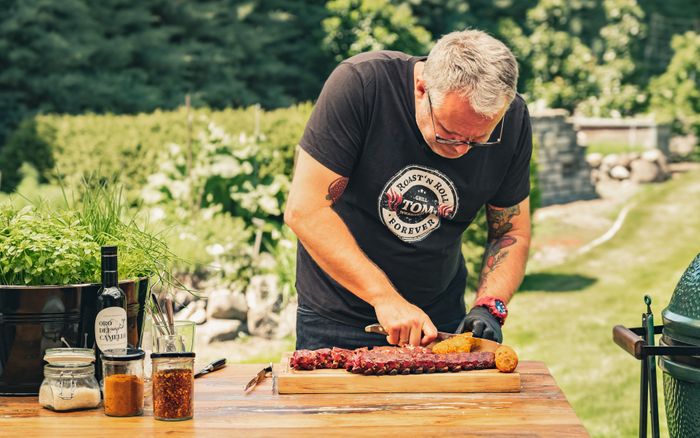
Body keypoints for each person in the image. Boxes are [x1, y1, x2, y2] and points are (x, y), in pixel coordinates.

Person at [284, 29, 532, 350]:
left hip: (439, 321)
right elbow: (306, 210)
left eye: (479, 139)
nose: (463, 150)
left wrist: (489, 307)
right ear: (421, 88)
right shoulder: (362, 86)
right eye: (449, 134)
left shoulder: (511, 120)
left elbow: (511, 231)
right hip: (337, 320)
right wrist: (383, 298)